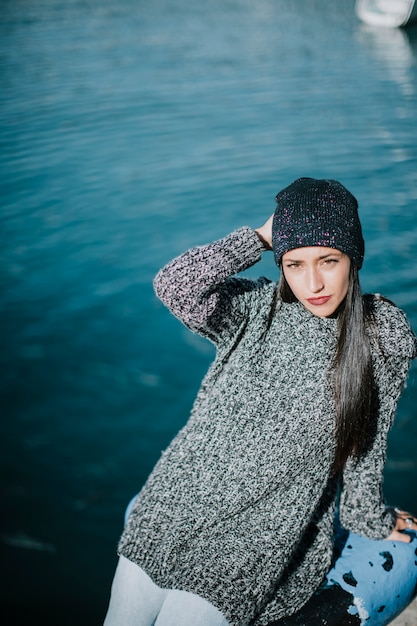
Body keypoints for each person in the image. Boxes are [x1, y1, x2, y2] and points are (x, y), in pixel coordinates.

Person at [104, 178, 417, 626]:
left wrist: (369, 517)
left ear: (353, 258)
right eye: (294, 263)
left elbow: (366, 446)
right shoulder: (254, 308)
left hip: (258, 533)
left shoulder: (380, 334)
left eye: (328, 261)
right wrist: (259, 237)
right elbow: (175, 286)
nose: (312, 282)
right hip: (177, 499)